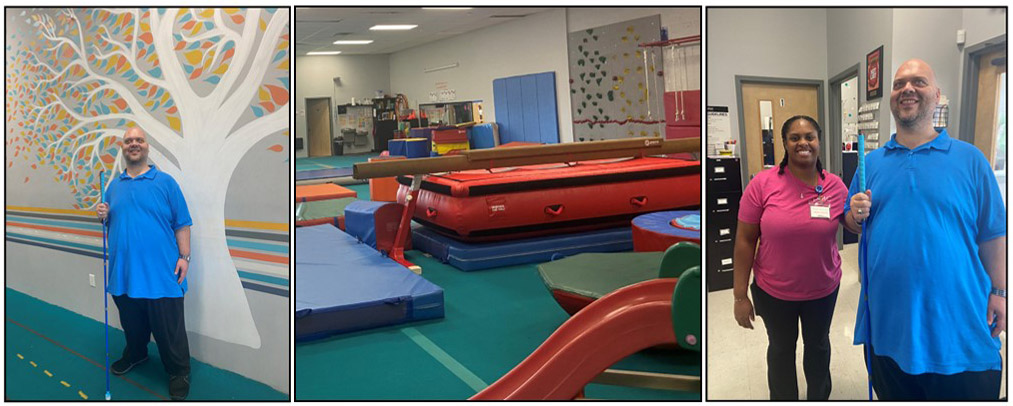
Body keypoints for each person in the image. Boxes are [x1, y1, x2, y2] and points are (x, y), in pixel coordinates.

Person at [844, 59, 1006, 400]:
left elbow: (992, 234)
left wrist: (1000, 292)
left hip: (959, 330)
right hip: (890, 329)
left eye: (919, 82)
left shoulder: (971, 160)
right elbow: (853, 222)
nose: (907, 89)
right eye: (899, 83)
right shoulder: (870, 164)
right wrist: (854, 215)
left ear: (936, 95)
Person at [732, 115, 848, 400]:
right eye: (795, 138)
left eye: (809, 137)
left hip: (823, 289)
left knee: (818, 346)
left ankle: (819, 397)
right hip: (775, 291)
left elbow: (853, 225)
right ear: (784, 143)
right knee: (781, 349)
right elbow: (745, 240)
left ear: (819, 141)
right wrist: (739, 296)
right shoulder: (762, 184)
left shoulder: (835, 186)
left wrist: (861, 212)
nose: (803, 143)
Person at [96, 127, 193, 400]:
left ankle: (179, 371)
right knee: (133, 326)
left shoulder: (165, 183)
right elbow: (112, 220)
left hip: (161, 273)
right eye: (128, 141)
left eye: (139, 140)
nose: (134, 144)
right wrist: (102, 214)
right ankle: (136, 354)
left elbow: (182, 223)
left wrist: (184, 257)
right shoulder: (113, 186)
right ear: (123, 148)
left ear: (147, 146)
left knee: (169, 332)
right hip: (124, 273)